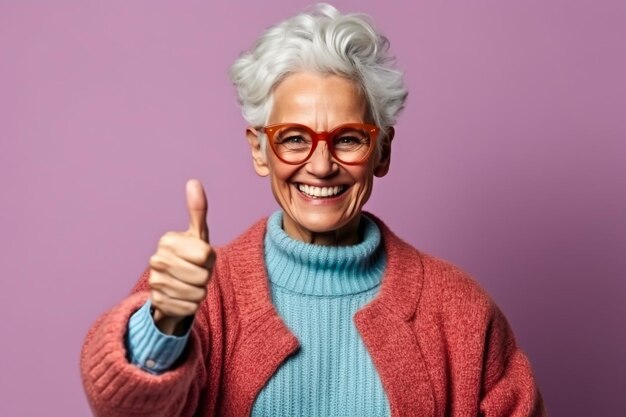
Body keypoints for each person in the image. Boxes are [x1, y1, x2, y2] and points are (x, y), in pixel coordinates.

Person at [80, 3, 545, 416]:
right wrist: (166, 322)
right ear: (260, 150)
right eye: (294, 139)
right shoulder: (200, 291)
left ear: (381, 151)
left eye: (348, 139)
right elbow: (123, 409)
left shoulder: (460, 311)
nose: (321, 167)